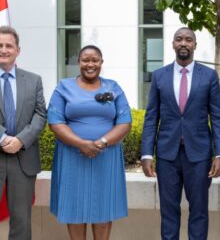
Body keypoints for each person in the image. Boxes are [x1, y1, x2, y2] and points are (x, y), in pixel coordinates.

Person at [141, 27, 220, 240]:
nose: (183, 43)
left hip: (199, 156)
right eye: (179, 39)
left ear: (195, 45)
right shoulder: (160, 75)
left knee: (199, 212)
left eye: (188, 39)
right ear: (172, 44)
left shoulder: (209, 76)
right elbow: (151, 116)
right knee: (168, 212)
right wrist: (146, 154)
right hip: (167, 155)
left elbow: (217, 117)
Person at [48, 45, 132, 240]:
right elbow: (55, 121)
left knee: (103, 209)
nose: (90, 64)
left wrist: (100, 142)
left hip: (106, 157)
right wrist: (81, 144)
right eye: (86, 60)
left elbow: (125, 122)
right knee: (74, 209)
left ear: (101, 63)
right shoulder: (64, 87)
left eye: (95, 60)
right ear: (79, 62)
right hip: (72, 156)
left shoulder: (113, 87)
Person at [0, 25, 47, 240]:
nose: (4, 49)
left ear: (18, 50)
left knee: (21, 221)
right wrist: (2, 137)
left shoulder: (34, 80)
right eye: (0, 45)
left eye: (9, 45)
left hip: (23, 159)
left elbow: (40, 115)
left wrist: (21, 139)